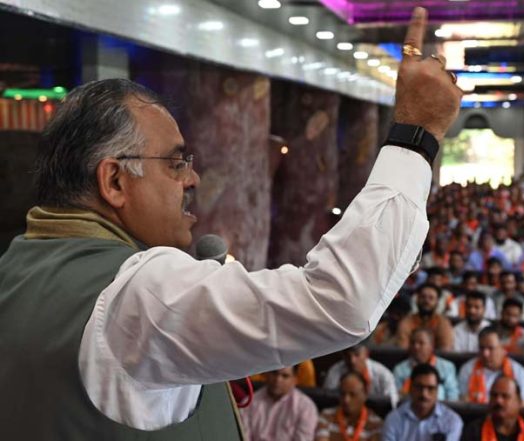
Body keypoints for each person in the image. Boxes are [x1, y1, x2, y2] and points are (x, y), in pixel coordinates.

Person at [0, 7, 464, 439]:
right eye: (176, 163)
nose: (193, 178)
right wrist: (416, 135)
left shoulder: (17, 271)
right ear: (115, 180)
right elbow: (342, 301)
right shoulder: (139, 294)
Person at [382, 364, 464, 441]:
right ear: (410, 388)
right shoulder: (393, 419)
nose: (424, 394)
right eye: (419, 387)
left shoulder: (452, 420)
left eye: (430, 388)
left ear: (437, 391)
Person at [458, 327, 524, 406]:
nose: (485, 354)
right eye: (482, 348)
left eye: (491, 348)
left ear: (503, 348)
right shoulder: (467, 369)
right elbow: (464, 403)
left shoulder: (520, 373)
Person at [240, 366, 319, 441]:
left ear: (295, 379)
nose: (278, 379)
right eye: (274, 373)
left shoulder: (306, 407)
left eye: (285, 376)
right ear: (266, 373)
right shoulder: (249, 403)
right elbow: (243, 437)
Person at [463, 375, 524, 441]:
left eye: (505, 396)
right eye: (494, 395)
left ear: (519, 402)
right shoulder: (473, 431)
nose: (498, 401)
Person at [323, 344, 398, 408]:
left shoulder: (383, 374)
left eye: (357, 355)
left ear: (366, 354)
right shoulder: (334, 372)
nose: (352, 360)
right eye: (347, 355)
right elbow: (328, 402)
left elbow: (392, 403)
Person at [393, 328, 459, 400]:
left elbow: (453, 397)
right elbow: (396, 397)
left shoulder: (447, 367)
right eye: (413, 343)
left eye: (421, 343)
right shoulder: (399, 369)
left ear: (431, 346)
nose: (416, 347)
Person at [315, 371, 383, 441]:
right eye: (342, 394)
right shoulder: (326, 416)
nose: (346, 400)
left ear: (365, 394)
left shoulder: (376, 424)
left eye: (352, 394)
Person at [396, 284, 455, 350]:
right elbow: (403, 348)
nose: (426, 301)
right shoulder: (406, 321)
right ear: (417, 300)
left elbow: (445, 349)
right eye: (423, 297)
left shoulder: (443, 322)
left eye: (431, 298)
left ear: (437, 302)